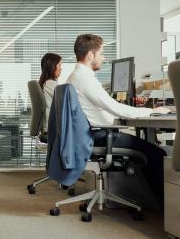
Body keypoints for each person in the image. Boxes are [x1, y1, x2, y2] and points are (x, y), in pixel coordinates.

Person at [66, 34, 169, 202]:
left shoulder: (74, 77)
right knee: (156, 153)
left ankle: (150, 198)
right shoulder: (85, 79)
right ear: (90, 55)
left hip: (88, 134)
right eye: (101, 53)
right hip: (98, 136)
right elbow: (116, 108)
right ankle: (163, 203)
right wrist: (150, 111)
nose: (104, 58)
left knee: (146, 149)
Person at [39, 53, 62, 132]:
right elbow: (67, 100)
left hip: (51, 127)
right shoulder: (50, 84)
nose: (61, 68)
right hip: (53, 129)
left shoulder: (46, 83)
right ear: (53, 67)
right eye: (59, 65)